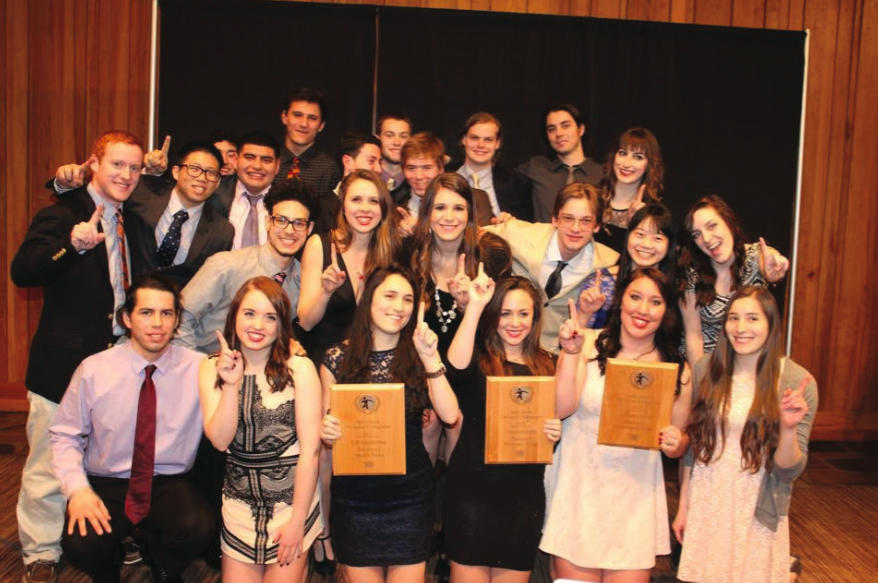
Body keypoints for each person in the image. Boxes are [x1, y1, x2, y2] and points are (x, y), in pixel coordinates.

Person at [11, 130, 145, 583]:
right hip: (62, 366)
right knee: (49, 460)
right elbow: (23, 271)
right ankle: (40, 552)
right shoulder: (61, 213)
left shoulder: (132, 222)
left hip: (115, 364)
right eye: (117, 165)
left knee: (109, 458)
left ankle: (108, 532)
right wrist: (73, 247)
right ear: (93, 164)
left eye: (134, 167)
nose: (126, 175)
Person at [50, 274, 214, 583]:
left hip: (168, 480)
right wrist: (78, 490)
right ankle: (107, 570)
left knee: (198, 526)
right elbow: (64, 434)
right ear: (127, 318)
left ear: (177, 319)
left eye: (167, 313)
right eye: (146, 312)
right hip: (109, 480)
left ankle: (163, 562)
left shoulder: (200, 367)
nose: (157, 323)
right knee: (80, 545)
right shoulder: (94, 369)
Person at [541, 268, 692, 582]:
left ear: (666, 312)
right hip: (579, 486)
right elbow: (560, 407)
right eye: (635, 297)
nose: (642, 309)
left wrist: (675, 442)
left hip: (634, 495)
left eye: (655, 302)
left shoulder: (677, 368)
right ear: (620, 301)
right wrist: (570, 353)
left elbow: (679, 445)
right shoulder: (587, 344)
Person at [318, 265, 460, 582]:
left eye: (407, 299)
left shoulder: (420, 354)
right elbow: (324, 438)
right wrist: (327, 431)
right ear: (369, 299)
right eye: (390, 295)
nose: (398, 307)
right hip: (354, 501)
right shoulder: (335, 358)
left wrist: (431, 358)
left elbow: (450, 416)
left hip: (410, 499)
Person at [296, 170, 400, 576]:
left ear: (383, 208)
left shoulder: (391, 250)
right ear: (342, 204)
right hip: (326, 360)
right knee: (325, 451)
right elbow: (304, 320)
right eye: (357, 200)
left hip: (377, 364)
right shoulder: (320, 245)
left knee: (371, 453)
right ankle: (323, 533)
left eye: (373, 201)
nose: (365, 209)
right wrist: (324, 288)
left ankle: (368, 533)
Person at [675, 287, 817, 583]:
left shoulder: (795, 381)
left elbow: (788, 471)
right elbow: (694, 449)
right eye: (733, 318)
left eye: (752, 318)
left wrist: (788, 428)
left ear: (771, 325)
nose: (740, 328)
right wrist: (684, 505)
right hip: (708, 501)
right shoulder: (707, 368)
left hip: (757, 508)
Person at [199, 276, 322, 582]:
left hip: (292, 504)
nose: (258, 325)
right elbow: (219, 440)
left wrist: (297, 521)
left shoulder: (300, 369)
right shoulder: (210, 367)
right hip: (239, 507)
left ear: (282, 325)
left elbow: (311, 451)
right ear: (235, 315)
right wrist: (230, 384)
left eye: (270, 317)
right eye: (250, 314)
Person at [444, 274, 562, 582]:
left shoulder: (549, 366)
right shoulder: (476, 358)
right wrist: (475, 306)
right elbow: (454, 370)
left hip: (522, 500)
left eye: (523, 313)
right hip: (471, 495)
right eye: (505, 313)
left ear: (536, 317)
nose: (514, 322)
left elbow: (557, 423)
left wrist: (554, 433)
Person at [176, 179, 313, 356]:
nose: (289, 230)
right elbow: (181, 317)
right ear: (267, 222)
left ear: (309, 229)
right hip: (206, 366)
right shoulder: (226, 266)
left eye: (299, 223)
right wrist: (197, 369)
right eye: (281, 220)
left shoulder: (303, 281)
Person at [483, 182, 619, 353]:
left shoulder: (608, 262)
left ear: (597, 225)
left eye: (585, 221)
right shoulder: (519, 234)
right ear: (555, 218)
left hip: (555, 356)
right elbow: (471, 234)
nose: (575, 228)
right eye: (568, 218)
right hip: (504, 350)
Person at [678, 195, 790, 368]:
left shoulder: (755, 257)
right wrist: (702, 383)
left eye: (712, 226)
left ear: (728, 222)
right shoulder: (691, 275)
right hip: (709, 367)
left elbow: (770, 261)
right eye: (697, 234)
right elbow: (694, 337)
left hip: (753, 364)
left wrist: (775, 272)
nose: (706, 239)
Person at [578, 203, 676, 329]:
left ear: (670, 245)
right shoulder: (602, 282)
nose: (646, 244)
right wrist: (585, 313)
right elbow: (574, 338)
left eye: (657, 238)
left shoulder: (676, 287)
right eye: (640, 234)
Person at [513, 103, 603, 223]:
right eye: (552, 129)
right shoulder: (536, 167)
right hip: (542, 240)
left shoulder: (602, 175)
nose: (558, 133)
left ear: (580, 129)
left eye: (565, 126)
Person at [395, 133, 493, 233]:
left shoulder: (476, 199)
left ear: (441, 168)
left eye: (427, 168)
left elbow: (483, 241)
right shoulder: (395, 209)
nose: (419, 176)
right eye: (411, 168)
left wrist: (420, 230)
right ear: (403, 170)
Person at [208, 131, 284, 250]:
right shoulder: (212, 194)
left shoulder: (288, 200)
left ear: (277, 165)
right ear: (236, 160)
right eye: (249, 157)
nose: (257, 166)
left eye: (266, 160)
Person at [593, 128, 665, 253]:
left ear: (649, 165)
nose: (626, 163)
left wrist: (637, 223)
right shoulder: (591, 198)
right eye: (622, 153)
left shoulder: (652, 213)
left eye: (638, 157)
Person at [453, 112, 527, 220]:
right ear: (464, 139)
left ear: (498, 143)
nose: (481, 145)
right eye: (474, 138)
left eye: (488, 140)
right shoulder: (443, 177)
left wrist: (512, 222)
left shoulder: (513, 183)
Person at [376, 113, 412, 191]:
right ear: (377, 139)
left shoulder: (418, 182)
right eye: (389, 135)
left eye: (403, 136)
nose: (397, 142)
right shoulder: (365, 179)